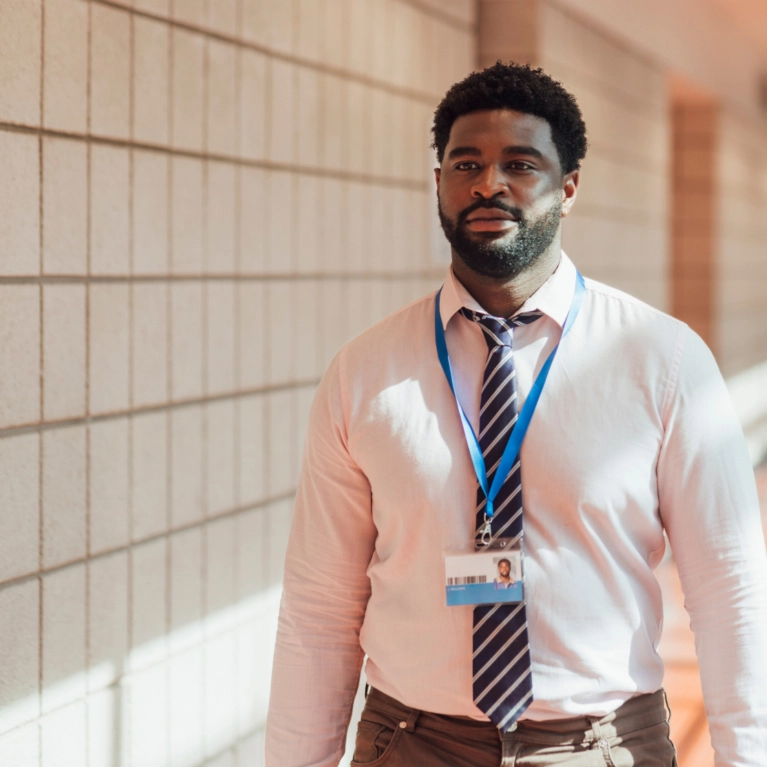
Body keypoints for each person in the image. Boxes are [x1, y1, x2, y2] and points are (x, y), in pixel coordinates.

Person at [265, 62, 767, 767]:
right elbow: (319, 608)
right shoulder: (363, 372)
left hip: (600, 744)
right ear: (437, 182)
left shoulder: (664, 361)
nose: (487, 184)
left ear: (568, 188)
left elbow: (729, 589)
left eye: (519, 164)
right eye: (464, 163)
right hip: (409, 743)